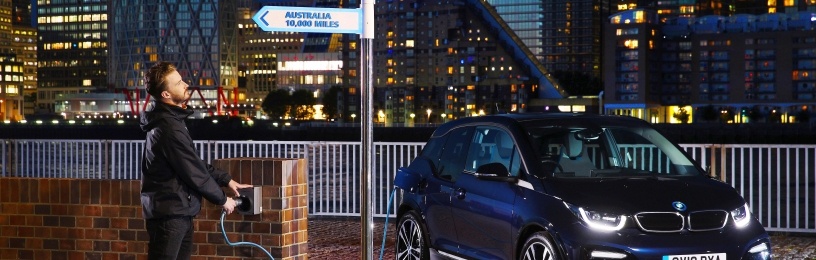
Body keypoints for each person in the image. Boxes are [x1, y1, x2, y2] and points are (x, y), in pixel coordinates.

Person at [139, 61, 252, 260]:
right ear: (165, 94)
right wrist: (223, 199)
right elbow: (193, 172)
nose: (186, 85)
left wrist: (225, 179)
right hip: (170, 214)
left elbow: (192, 162)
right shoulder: (169, 128)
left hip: (178, 211)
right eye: (179, 82)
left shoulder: (171, 122)